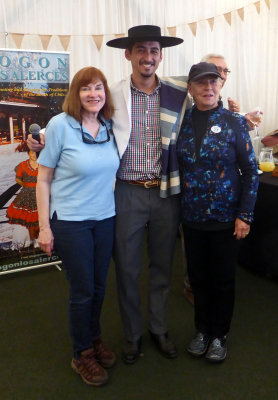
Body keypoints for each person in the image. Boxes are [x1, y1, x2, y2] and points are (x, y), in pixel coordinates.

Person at [105, 25, 190, 363]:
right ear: (128, 54)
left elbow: (209, 106)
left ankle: (158, 327)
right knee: (126, 268)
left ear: (160, 55)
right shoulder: (111, 95)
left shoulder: (176, 94)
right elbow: (79, 120)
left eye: (154, 50)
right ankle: (132, 335)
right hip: (126, 192)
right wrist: (43, 138)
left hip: (166, 193)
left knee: (162, 265)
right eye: (141, 50)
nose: (148, 57)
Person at [36, 67, 119, 386]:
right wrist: (44, 227)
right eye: (86, 88)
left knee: (99, 287)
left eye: (99, 87)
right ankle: (81, 352)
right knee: (83, 290)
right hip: (70, 221)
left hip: (105, 218)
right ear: (75, 93)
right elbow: (43, 179)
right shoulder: (60, 126)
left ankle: (93, 338)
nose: (93, 94)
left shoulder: (109, 125)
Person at [176, 62, 258, 363]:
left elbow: (250, 170)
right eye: (201, 83)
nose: (208, 88)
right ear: (191, 88)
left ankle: (220, 334)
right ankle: (202, 330)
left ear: (220, 85)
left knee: (222, 279)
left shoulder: (234, 122)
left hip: (226, 219)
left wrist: (245, 215)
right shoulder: (181, 123)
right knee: (198, 278)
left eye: (214, 82)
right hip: (192, 217)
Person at [6, 141, 39, 243]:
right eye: (31, 153)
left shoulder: (43, 165)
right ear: (28, 153)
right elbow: (18, 179)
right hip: (27, 195)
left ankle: (40, 240)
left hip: (41, 194)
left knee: (41, 219)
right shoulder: (23, 165)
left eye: (36, 153)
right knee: (30, 220)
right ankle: (33, 241)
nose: (33, 155)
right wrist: (26, 186)